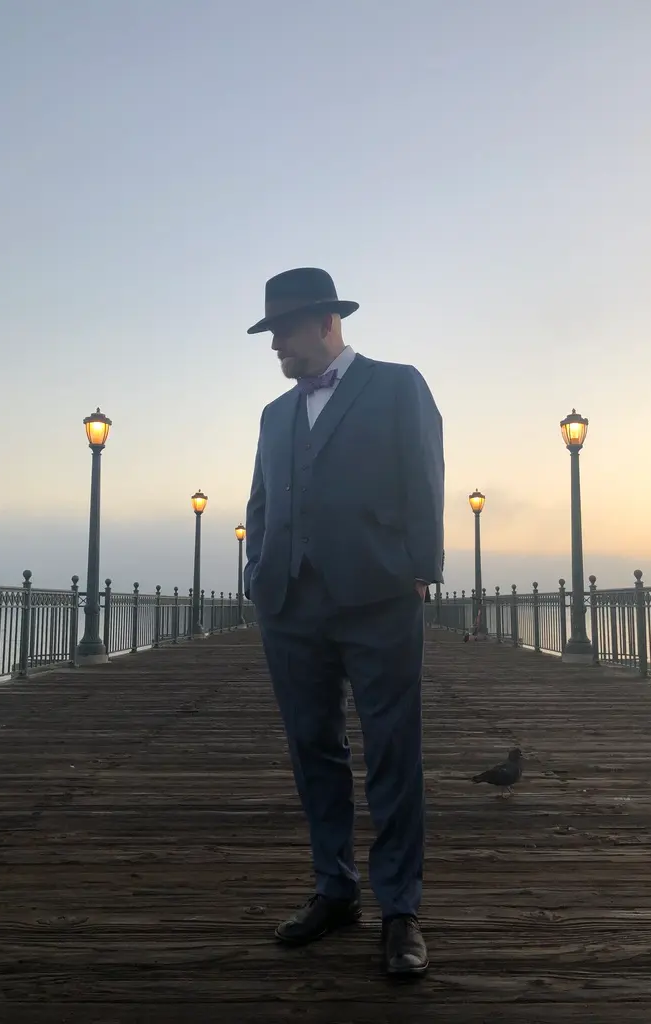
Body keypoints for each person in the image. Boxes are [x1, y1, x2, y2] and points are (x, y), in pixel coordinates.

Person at [244, 267, 444, 978]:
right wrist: (258, 577)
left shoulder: (397, 385)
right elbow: (262, 501)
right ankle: (335, 889)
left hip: (380, 596)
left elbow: (424, 478)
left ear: (327, 323)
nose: (274, 346)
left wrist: (422, 567)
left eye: (284, 331)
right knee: (312, 750)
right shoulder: (273, 415)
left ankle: (401, 909)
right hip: (290, 606)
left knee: (393, 752)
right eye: (269, 333)